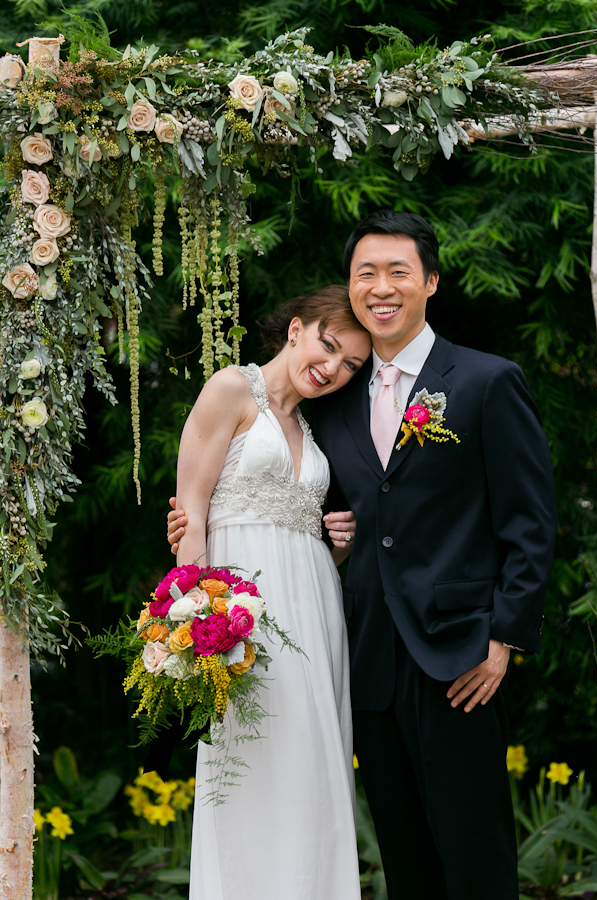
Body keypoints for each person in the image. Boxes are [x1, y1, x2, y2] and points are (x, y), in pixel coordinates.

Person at [170, 211, 557, 900]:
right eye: (365, 274)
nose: (381, 287)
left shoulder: (484, 382)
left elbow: (530, 522)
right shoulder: (333, 406)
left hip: (459, 656)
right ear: (347, 291)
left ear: (430, 281)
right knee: (405, 859)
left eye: (398, 271)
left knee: (475, 854)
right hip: (363, 657)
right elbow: (324, 510)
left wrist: (502, 640)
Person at [173, 284, 371, 900]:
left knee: (312, 764)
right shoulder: (232, 388)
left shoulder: (315, 430)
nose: (333, 368)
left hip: (314, 611)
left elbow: (305, 535)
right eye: (328, 345)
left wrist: (340, 543)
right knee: (251, 765)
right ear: (296, 329)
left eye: (351, 365)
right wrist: (199, 624)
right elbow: (192, 515)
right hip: (242, 620)